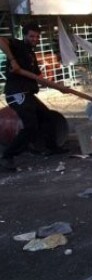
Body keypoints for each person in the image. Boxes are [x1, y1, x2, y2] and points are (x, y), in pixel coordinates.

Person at [0, 21, 68, 171]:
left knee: (48, 117)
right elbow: (1, 40)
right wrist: (12, 60)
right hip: (17, 94)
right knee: (30, 126)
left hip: (28, 94)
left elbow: (39, 77)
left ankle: (51, 147)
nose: (34, 39)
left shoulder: (31, 54)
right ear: (24, 35)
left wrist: (59, 88)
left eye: (37, 37)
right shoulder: (17, 45)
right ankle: (7, 156)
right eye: (31, 36)